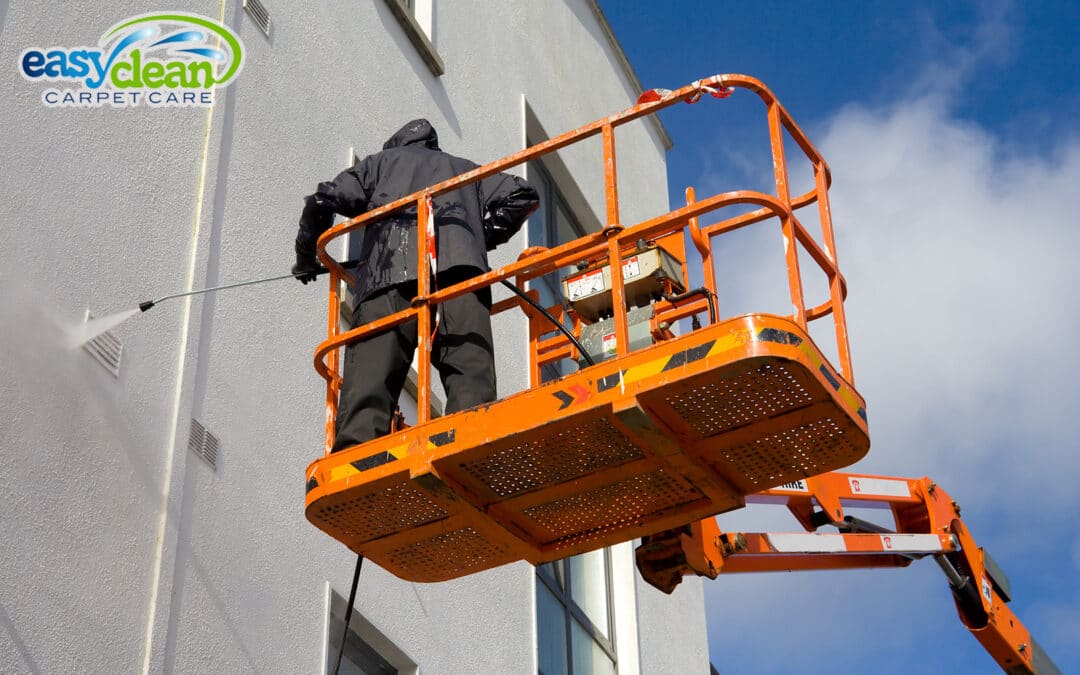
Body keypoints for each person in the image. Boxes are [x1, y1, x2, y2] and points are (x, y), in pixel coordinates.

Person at [293, 119, 539, 459]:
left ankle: (357, 453)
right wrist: (473, 237)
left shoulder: (380, 164)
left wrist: (306, 256)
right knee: (470, 370)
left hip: (388, 271)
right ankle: (470, 439)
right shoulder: (465, 170)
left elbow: (322, 201)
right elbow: (523, 194)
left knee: (372, 371)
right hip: (461, 271)